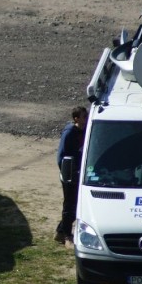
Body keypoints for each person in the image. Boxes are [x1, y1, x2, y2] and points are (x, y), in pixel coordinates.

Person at [55, 106, 87, 248]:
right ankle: (67, 235)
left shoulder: (85, 130)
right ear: (76, 119)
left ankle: (60, 231)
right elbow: (61, 157)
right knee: (69, 205)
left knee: (76, 204)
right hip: (70, 174)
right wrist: (67, 173)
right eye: (83, 117)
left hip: (80, 173)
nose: (86, 119)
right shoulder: (69, 133)